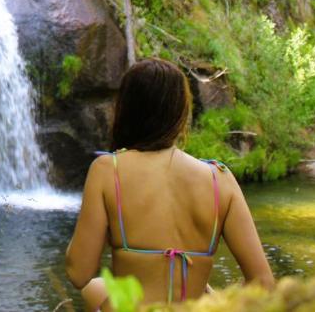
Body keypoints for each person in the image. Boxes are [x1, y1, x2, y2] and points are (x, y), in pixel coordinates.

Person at [65, 57, 275, 310]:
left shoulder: (107, 170)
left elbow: (79, 273)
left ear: (127, 110)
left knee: (93, 287)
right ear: (180, 112)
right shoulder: (220, 179)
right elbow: (263, 283)